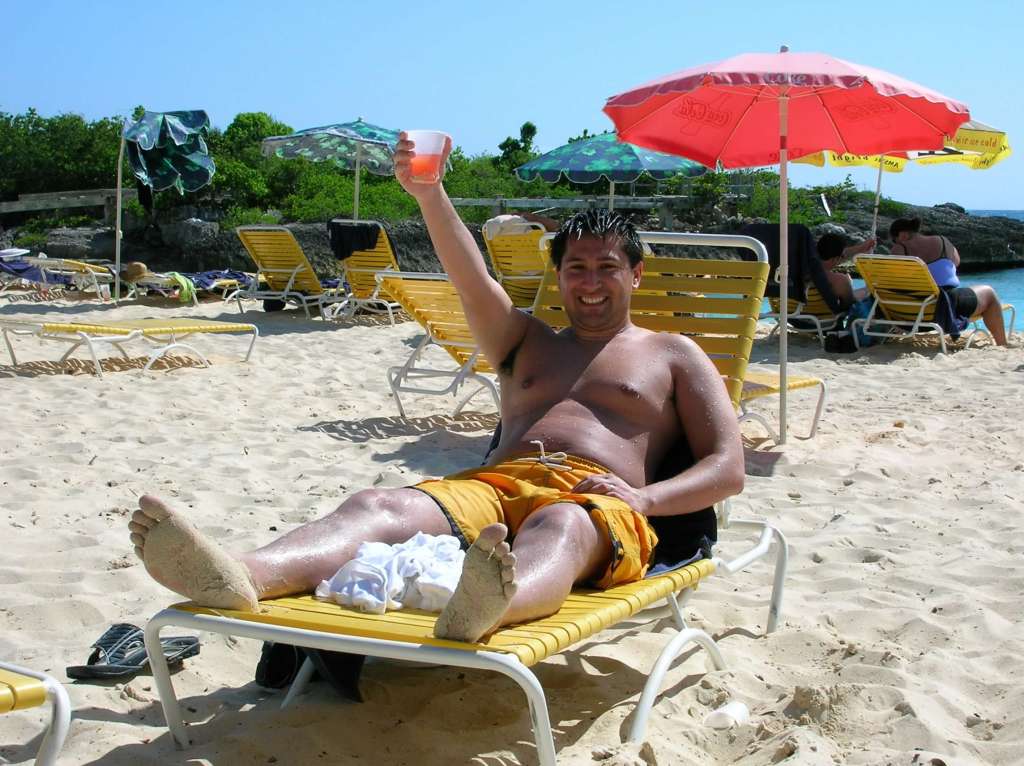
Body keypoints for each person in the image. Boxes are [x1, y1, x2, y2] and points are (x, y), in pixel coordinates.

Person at [127, 131, 745, 643]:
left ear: (636, 275)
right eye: (575, 267)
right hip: (492, 488)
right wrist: (429, 192)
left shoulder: (673, 354)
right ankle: (242, 575)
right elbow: (470, 278)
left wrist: (644, 500)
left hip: (595, 499)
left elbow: (727, 467)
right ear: (557, 275)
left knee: (561, 526)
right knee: (378, 505)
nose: (590, 283)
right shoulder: (525, 340)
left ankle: (490, 606)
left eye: (607, 267)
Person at [888, 217, 1007, 346]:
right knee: (989, 293)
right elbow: (956, 262)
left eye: (894, 240)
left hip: (907, 315)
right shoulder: (942, 242)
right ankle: (1002, 343)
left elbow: (894, 280)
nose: (894, 244)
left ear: (903, 235)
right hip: (944, 309)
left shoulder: (898, 250)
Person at [814, 232, 876, 310]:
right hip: (826, 317)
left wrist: (862, 248)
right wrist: (848, 284)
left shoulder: (801, 268)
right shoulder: (839, 280)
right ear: (836, 259)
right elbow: (848, 308)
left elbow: (840, 254)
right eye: (842, 256)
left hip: (802, 315)